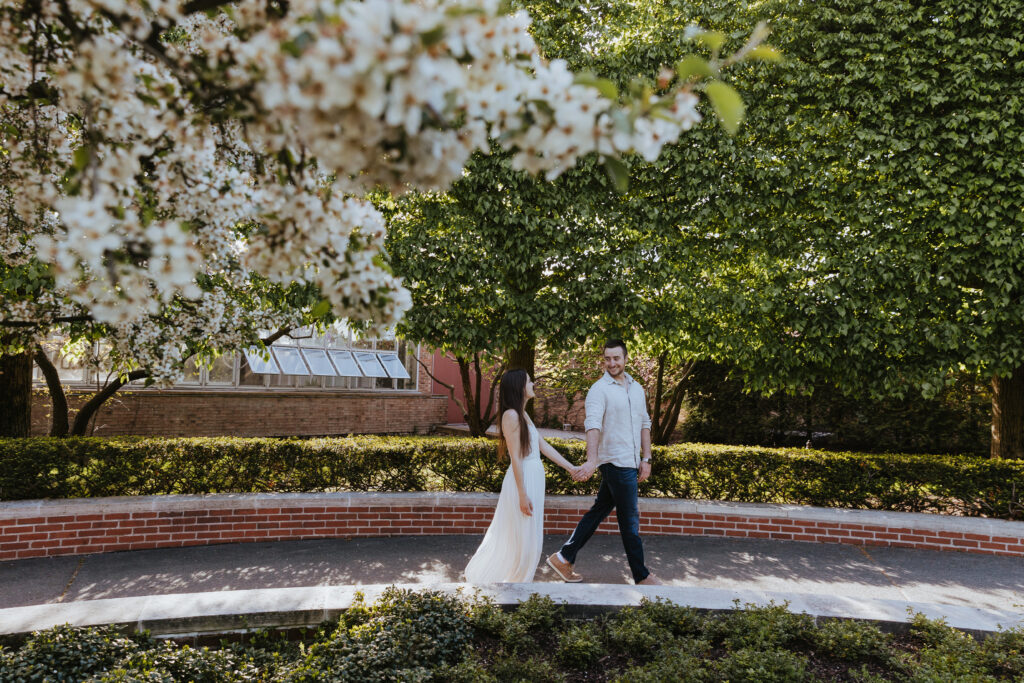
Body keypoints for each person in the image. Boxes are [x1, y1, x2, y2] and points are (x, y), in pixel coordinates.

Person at [546, 339, 663, 585]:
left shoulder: (637, 388)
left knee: (599, 511)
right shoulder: (599, 390)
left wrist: (646, 458)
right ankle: (641, 575)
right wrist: (592, 459)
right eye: (607, 358)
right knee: (630, 520)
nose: (612, 363)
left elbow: (644, 424)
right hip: (615, 463)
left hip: (631, 463)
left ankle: (564, 557)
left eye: (616, 358)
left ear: (625, 358)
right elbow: (593, 425)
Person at [464, 369, 581, 583]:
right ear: (519, 387)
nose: (533, 383)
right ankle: (515, 585)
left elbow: (542, 445)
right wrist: (522, 494)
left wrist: (571, 468)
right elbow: (516, 458)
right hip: (523, 480)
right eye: (529, 381)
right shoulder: (511, 416)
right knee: (523, 537)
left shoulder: (522, 413)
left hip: (533, 478)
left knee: (529, 536)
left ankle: (519, 583)